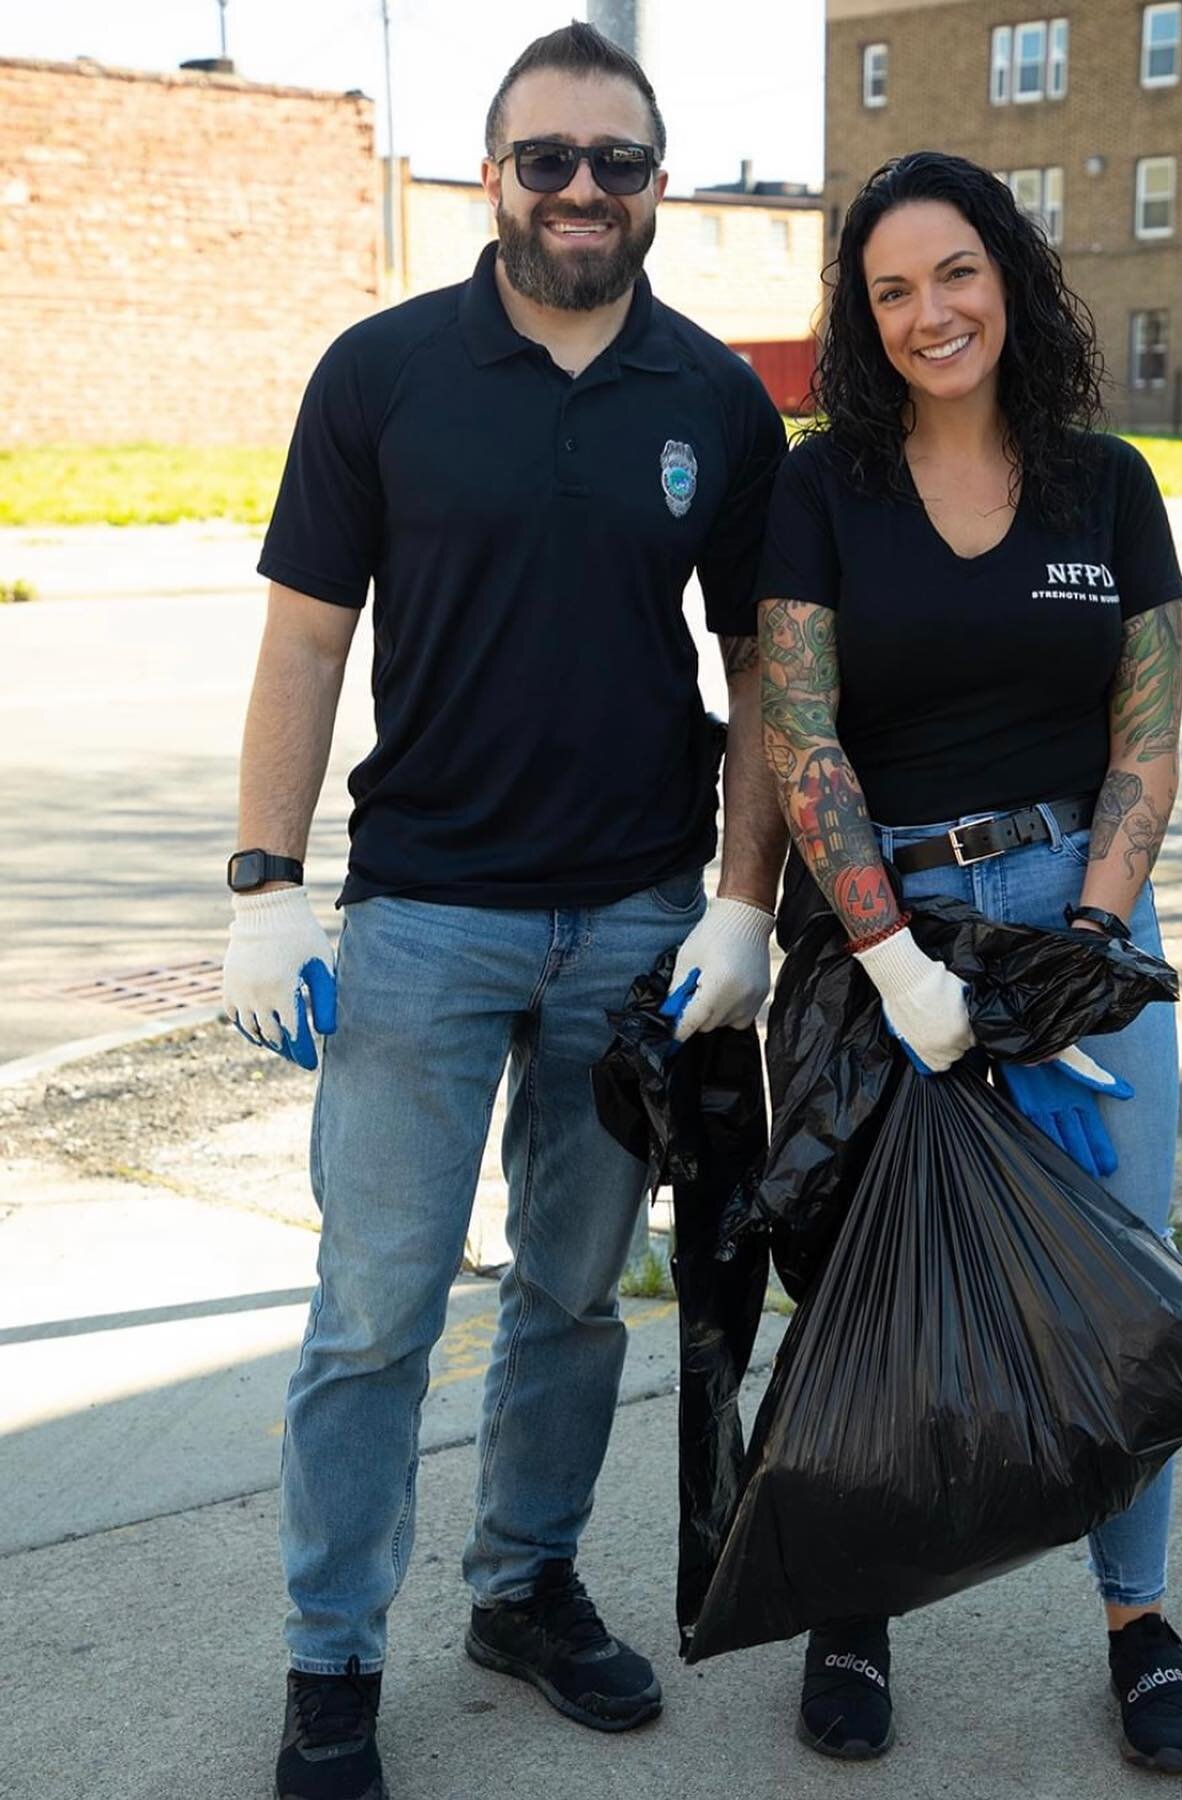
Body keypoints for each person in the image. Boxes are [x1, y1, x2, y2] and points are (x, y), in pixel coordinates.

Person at [221, 24, 789, 1800]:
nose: (582, 190)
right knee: (375, 1313)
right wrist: (265, 887)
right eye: (548, 157)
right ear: (493, 176)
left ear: (657, 186)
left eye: (617, 161)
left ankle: (525, 1586)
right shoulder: (382, 372)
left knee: (569, 1298)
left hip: (631, 930)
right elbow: (306, 640)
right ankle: (333, 1662)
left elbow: (763, 664)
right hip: (421, 926)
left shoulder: (712, 398)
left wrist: (743, 901)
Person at [756, 152, 1182, 1773]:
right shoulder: (825, 491)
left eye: (954, 273)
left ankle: (1139, 1622)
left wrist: (1093, 938)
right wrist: (891, 964)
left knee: (1127, 1286)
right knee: (879, 1285)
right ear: (862, 319)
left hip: (1079, 915)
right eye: (889, 290)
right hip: (898, 924)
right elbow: (798, 728)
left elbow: (1145, 740)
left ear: (1007, 277)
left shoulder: (1112, 484)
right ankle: (855, 1610)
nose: (928, 312)